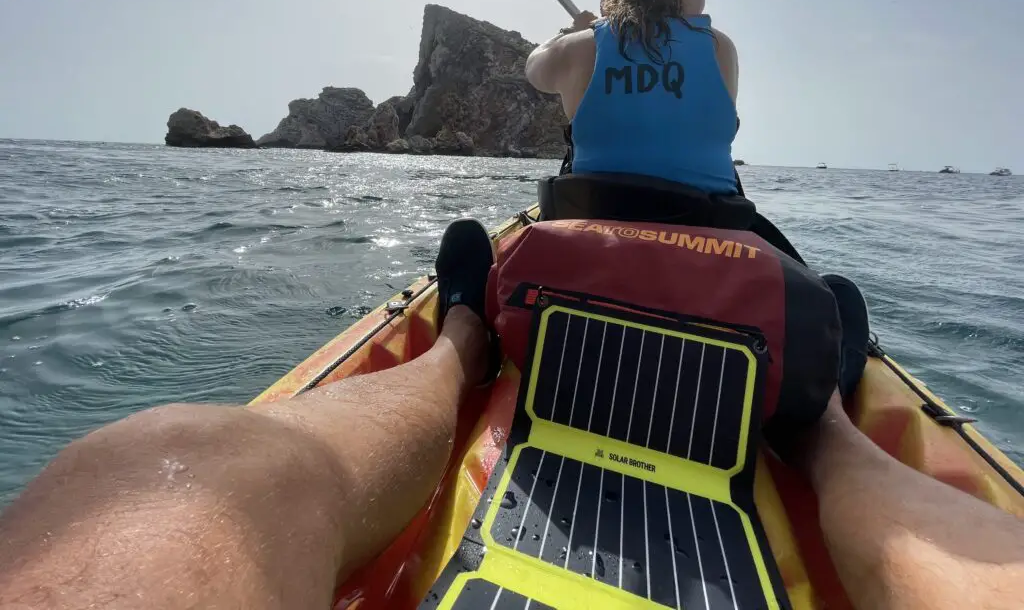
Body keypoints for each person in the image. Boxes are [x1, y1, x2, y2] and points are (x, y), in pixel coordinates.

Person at [1, 219, 1023, 610]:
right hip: (713, 207)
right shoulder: (719, 49)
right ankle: (817, 428)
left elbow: (546, 81)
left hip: (588, 189)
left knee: (166, 465)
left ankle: (462, 346)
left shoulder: (572, 49)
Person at [525, 0, 740, 194]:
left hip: (597, 215)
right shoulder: (720, 49)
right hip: (708, 224)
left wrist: (574, 33)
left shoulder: (579, 49)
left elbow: (533, 67)